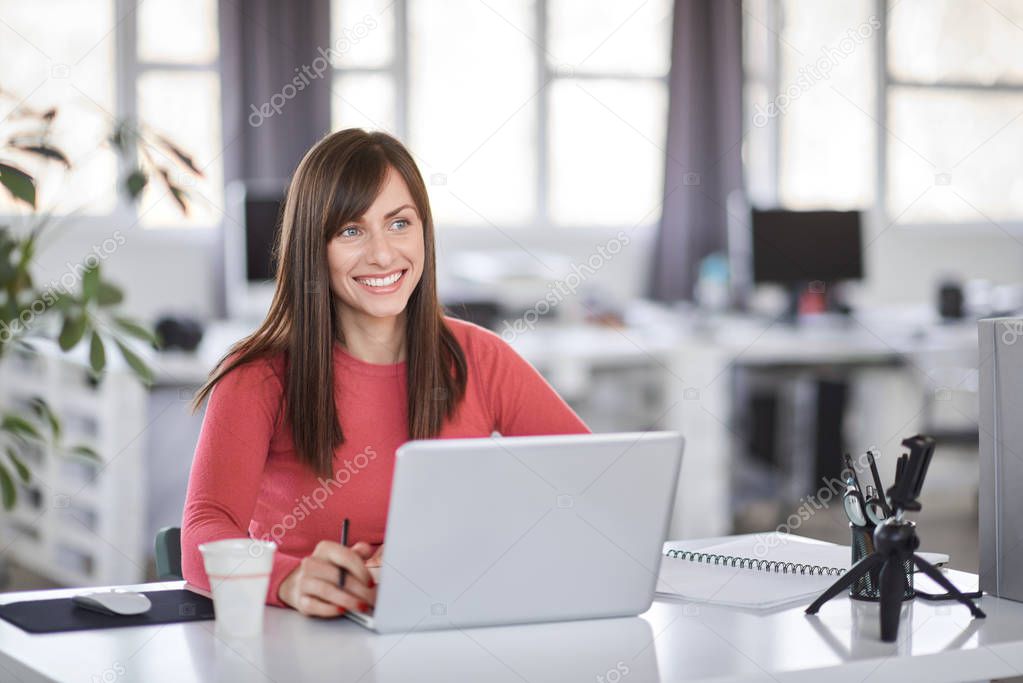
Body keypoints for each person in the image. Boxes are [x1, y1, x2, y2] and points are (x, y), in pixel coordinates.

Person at [181, 129, 589, 618]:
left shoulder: (482, 358)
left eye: (399, 224)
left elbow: (590, 489)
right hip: (305, 645)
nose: (382, 254)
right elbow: (204, 532)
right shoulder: (256, 375)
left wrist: (459, 551)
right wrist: (289, 577)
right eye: (351, 231)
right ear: (314, 245)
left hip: (450, 633)